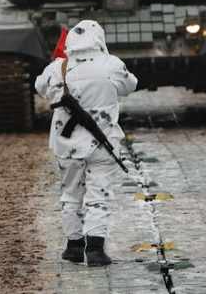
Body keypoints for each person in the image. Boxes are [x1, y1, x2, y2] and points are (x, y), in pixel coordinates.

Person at [35, 20, 137, 267]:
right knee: (99, 193)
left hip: (66, 143)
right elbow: (130, 85)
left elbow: (40, 87)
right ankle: (95, 249)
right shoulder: (111, 65)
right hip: (102, 143)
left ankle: (73, 246)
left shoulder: (57, 68)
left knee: (70, 193)